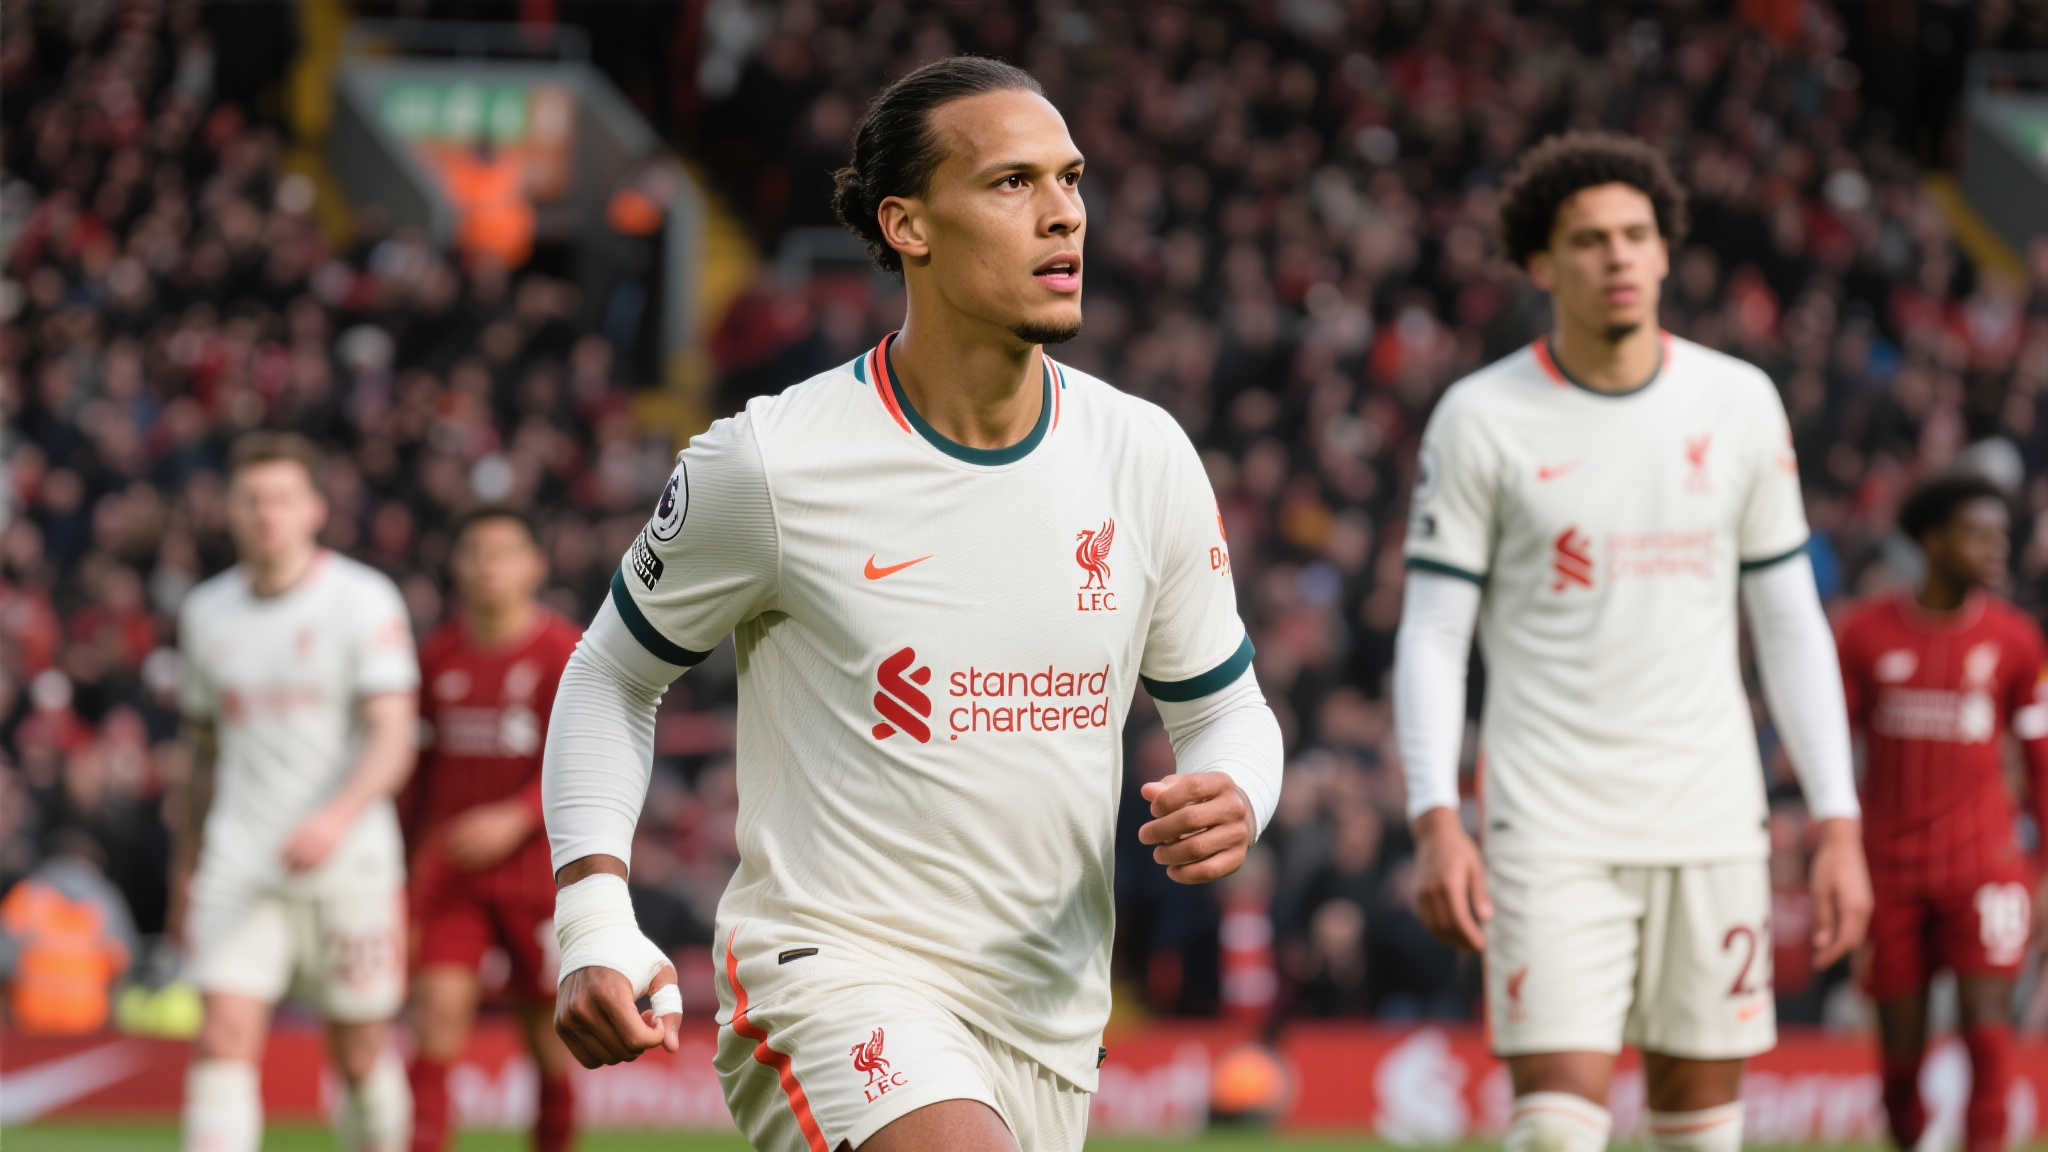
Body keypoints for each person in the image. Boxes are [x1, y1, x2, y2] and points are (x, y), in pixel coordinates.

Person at [540, 55, 1284, 1152]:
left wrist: (1239, 791)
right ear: (907, 225)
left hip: (1048, 1015)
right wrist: (593, 914)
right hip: (831, 973)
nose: (1063, 213)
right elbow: (611, 672)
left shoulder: (1144, 454)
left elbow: (1226, 709)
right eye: (1012, 182)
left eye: (1070, 179)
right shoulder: (773, 462)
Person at [1391, 130, 1872, 1152]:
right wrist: (1435, 817)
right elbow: (1432, 633)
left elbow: (1789, 624)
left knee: (1701, 1134)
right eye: (1588, 239)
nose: (1616, 255)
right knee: (1553, 1131)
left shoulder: (1738, 403)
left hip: (1711, 817)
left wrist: (1837, 821)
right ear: (1540, 263)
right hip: (1548, 823)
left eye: (1635, 235)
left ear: (1662, 252)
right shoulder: (1479, 418)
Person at [173, 431, 418, 1151]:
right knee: (222, 1037)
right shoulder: (205, 612)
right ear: (230, 510)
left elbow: (394, 736)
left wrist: (334, 820)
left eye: (281, 498)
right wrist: (187, 861)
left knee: (360, 1052)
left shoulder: (363, 600)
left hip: (351, 860)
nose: (266, 513)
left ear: (315, 509)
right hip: (240, 858)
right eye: (251, 499)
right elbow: (202, 752)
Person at [1836, 471, 2048, 1152]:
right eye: (1978, 535)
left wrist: (2044, 869)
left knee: (1989, 1038)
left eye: (2001, 536)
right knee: (1900, 1064)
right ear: (1932, 541)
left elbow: (2042, 761)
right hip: (1890, 873)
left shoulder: (2018, 641)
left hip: (1985, 865)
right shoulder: (1864, 635)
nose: (1996, 549)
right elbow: (1830, 749)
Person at [404, 505, 582, 1152]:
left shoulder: (565, 652)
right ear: (457, 565)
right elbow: (416, 773)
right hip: (453, 874)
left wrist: (516, 817)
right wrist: (408, 866)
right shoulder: (437, 656)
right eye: (476, 552)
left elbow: (585, 758)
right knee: (435, 1021)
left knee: (550, 1040)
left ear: (535, 565)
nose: (488, 567)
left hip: (539, 875)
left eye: (504, 552)